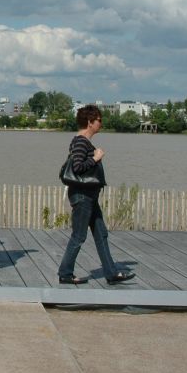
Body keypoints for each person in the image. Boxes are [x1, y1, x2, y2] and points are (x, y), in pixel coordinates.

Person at [57, 104, 136, 285]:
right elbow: (77, 167)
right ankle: (65, 273)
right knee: (79, 236)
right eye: (99, 120)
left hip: (89, 196)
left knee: (101, 234)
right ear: (89, 122)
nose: (101, 123)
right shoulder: (81, 141)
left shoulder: (83, 141)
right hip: (82, 196)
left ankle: (111, 273)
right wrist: (96, 158)